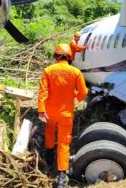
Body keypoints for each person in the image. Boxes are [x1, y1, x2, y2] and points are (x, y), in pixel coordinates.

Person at [37, 43, 88, 188]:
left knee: (49, 130)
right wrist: (74, 97)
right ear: (69, 57)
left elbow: (43, 92)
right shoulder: (75, 72)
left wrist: (41, 110)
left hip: (50, 112)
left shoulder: (48, 70)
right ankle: (61, 177)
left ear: (55, 56)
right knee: (64, 143)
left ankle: (48, 154)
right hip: (66, 113)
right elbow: (83, 92)